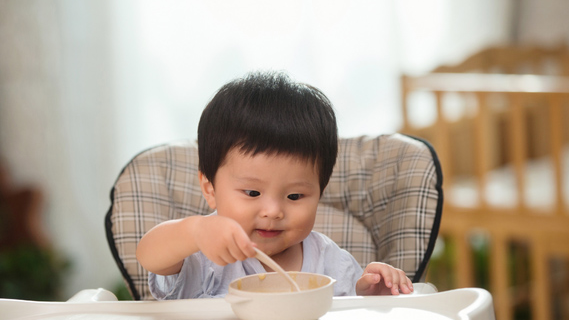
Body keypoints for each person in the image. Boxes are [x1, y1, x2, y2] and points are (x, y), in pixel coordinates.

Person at [136, 71, 414, 299]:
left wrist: (371, 296)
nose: (273, 211)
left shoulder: (329, 261)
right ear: (210, 189)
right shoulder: (205, 255)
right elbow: (149, 255)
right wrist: (194, 232)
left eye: (294, 195)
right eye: (252, 192)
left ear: (320, 192)